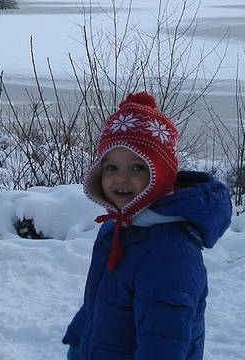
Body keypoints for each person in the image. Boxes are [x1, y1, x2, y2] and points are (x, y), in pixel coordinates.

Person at [62, 92, 232, 360]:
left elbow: (165, 339)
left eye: (138, 168)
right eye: (112, 167)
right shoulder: (120, 227)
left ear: (161, 174)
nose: (121, 179)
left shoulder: (170, 251)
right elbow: (100, 299)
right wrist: (79, 341)